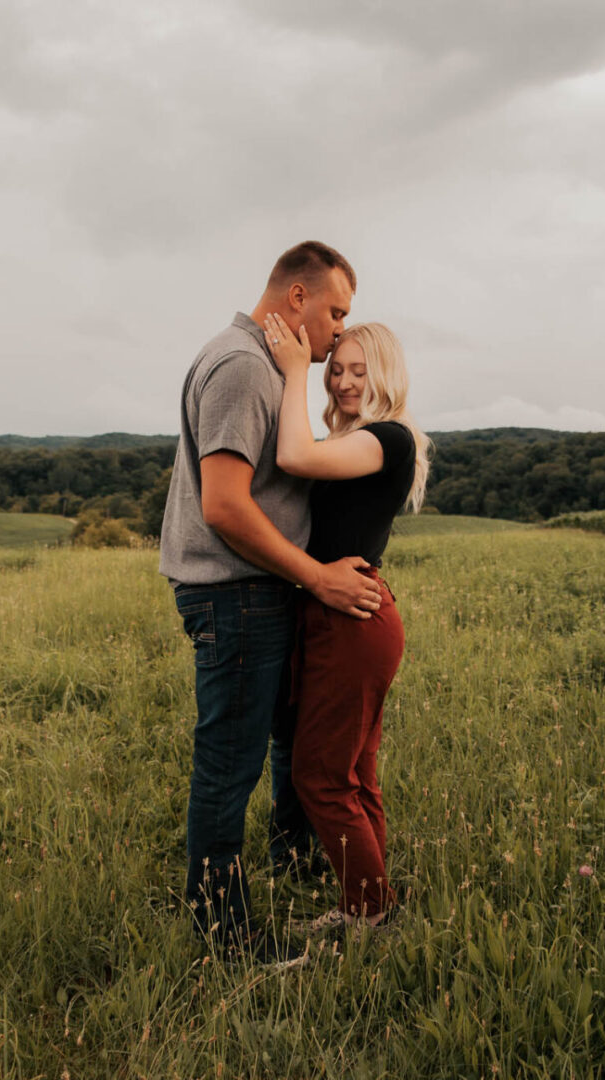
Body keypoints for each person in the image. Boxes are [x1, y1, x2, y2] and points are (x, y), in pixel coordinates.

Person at [159, 241, 384, 961]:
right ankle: (224, 935)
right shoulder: (241, 367)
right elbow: (224, 506)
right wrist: (315, 578)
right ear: (296, 298)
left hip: (261, 593)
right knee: (228, 764)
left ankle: (295, 861)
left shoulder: (262, 367)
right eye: (335, 312)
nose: (339, 332)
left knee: (285, 748)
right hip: (237, 597)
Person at [262, 314, 431, 932]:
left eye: (359, 370)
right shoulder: (361, 439)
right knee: (355, 773)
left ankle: (367, 914)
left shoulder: (388, 437)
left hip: (352, 620)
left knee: (320, 776)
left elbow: (293, 454)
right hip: (350, 614)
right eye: (335, 370)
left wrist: (289, 373)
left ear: (385, 373)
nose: (342, 382)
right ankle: (371, 904)